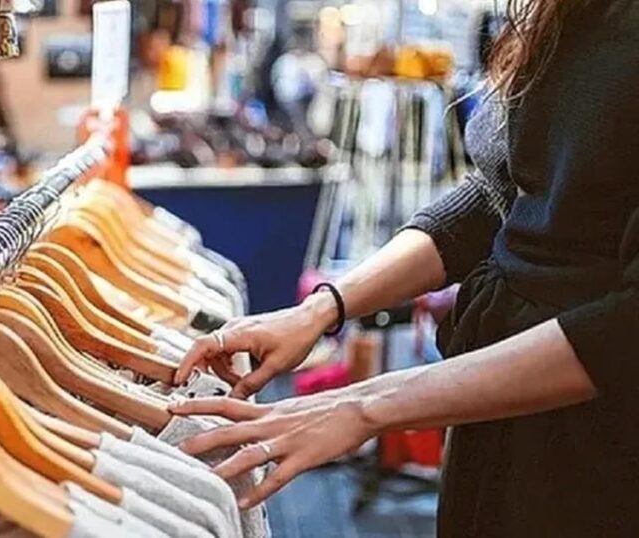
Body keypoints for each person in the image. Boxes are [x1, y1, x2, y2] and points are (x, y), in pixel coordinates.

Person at [169, 1, 639, 536]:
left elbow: (625, 330)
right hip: (502, 417)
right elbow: (505, 194)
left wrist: (365, 405)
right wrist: (323, 308)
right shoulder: (570, 15)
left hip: (596, 445)